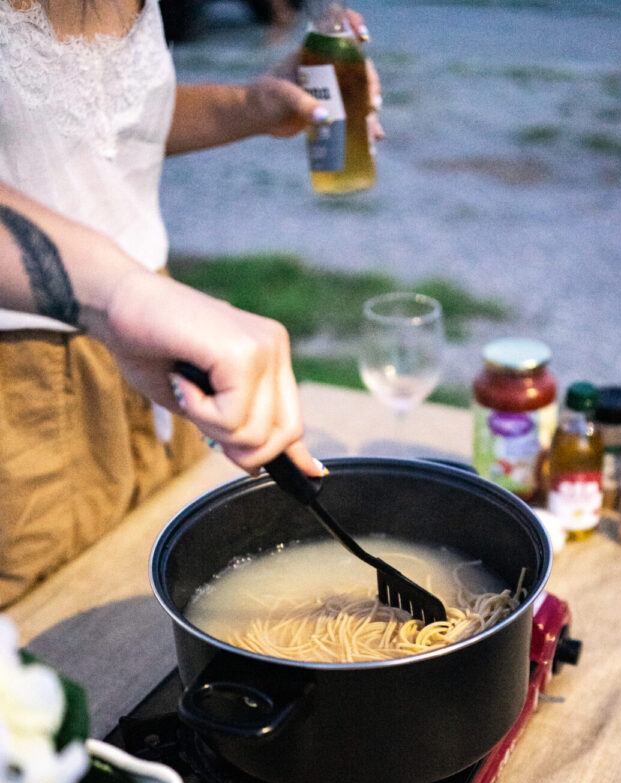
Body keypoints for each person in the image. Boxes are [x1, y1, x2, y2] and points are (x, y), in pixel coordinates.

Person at [0, 0, 381, 608]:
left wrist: (247, 106)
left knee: (164, 586)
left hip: (153, 338)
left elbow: (95, 126)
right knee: (43, 637)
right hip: (20, 382)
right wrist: (120, 292)